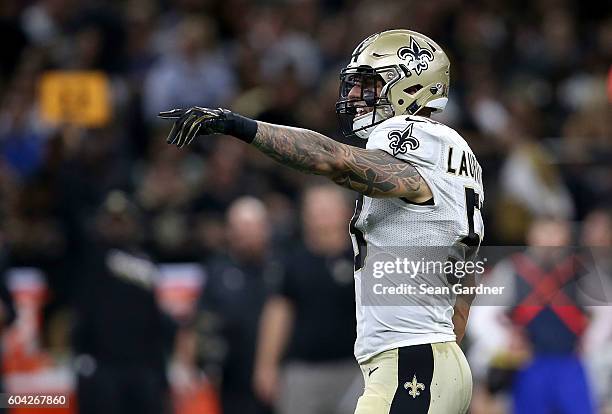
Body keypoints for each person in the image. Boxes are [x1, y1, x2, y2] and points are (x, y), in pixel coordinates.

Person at [160, 29, 484, 414]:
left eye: (368, 84)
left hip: (413, 362)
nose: (353, 96)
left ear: (410, 85)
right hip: (432, 359)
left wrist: (239, 126)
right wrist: (445, 347)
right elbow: (464, 271)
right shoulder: (459, 156)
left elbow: (333, 159)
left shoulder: (411, 136)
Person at [254, 185, 360, 414]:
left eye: (326, 208)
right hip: (303, 371)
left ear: (345, 212)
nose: (319, 215)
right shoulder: (292, 262)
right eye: (313, 209)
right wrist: (266, 366)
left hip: (357, 369)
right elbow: (278, 313)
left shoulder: (365, 257)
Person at [197, 197, 278, 414]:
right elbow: (203, 319)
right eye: (238, 227)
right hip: (232, 374)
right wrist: (205, 362)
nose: (244, 234)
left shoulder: (281, 268)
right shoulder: (217, 269)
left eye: (250, 227)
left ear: (265, 229)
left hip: (280, 371)